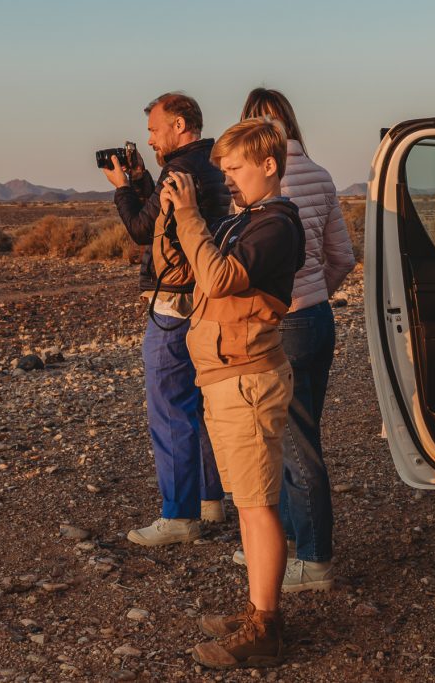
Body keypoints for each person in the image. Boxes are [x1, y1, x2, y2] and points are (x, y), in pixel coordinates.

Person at [155, 117, 305, 668]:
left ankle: (266, 628)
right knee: (247, 502)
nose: (229, 180)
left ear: (269, 165)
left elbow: (218, 280)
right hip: (226, 376)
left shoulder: (275, 227)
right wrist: (175, 218)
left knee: (258, 506)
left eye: (236, 168)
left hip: (247, 379)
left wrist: (193, 214)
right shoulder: (246, 222)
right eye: (223, 171)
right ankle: (258, 607)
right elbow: (192, 272)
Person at [230, 88, 356, 591]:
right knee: (300, 437)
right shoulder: (322, 176)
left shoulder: (255, 186)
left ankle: (313, 558)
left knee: (292, 446)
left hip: (283, 326)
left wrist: (287, 304)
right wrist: (312, 295)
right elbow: (343, 256)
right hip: (318, 319)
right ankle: (276, 548)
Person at [102, 92, 231, 546]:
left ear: (179, 126)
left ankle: (179, 515)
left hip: (173, 304)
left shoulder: (179, 171)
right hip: (206, 299)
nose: (150, 138)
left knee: (171, 408)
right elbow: (163, 217)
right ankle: (211, 500)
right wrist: (143, 181)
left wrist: (121, 186)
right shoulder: (213, 164)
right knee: (202, 405)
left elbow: (142, 229)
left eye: (155, 129)